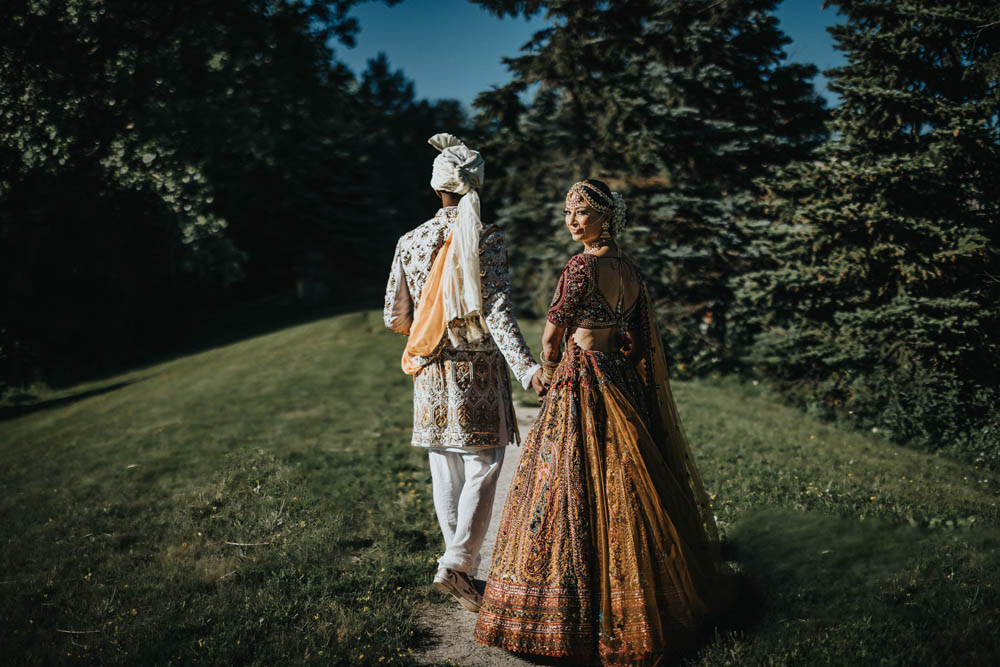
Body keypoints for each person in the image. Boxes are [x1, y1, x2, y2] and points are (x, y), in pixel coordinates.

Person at [474, 180, 732, 666]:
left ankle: (563, 615)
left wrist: (548, 376)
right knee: (624, 485)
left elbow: (552, 338)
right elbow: (638, 341)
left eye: (582, 212)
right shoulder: (630, 272)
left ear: (605, 217)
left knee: (564, 486)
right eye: (568, 211)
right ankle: (646, 600)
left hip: (579, 385)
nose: (572, 220)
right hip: (619, 381)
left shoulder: (581, 267)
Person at [383, 133, 544, 613]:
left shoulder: (409, 240)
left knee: (445, 470)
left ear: (438, 190)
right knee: (484, 464)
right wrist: (527, 369)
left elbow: (395, 314)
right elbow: (495, 310)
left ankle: (459, 567)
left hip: (429, 369)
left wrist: (428, 332)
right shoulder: (486, 238)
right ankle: (457, 563)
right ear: (477, 187)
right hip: (476, 372)